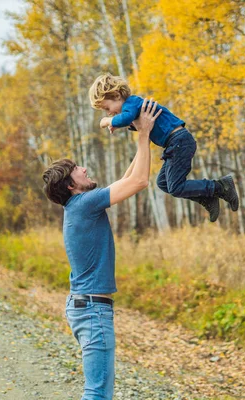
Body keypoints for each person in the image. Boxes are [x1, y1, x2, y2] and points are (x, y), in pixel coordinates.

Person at [42, 98, 161, 399]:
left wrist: (141, 138)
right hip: (92, 310)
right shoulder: (84, 203)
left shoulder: (79, 206)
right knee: (97, 394)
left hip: (85, 306)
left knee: (98, 391)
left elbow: (126, 180)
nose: (83, 168)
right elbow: (139, 182)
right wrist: (145, 134)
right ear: (71, 185)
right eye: (77, 170)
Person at [88, 73, 239, 222]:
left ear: (115, 95)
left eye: (107, 107)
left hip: (179, 141)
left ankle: (220, 186)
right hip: (174, 144)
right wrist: (119, 122)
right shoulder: (133, 107)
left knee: (175, 187)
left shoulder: (131, 103)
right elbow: (132, 121)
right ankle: (207, 198)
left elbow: (126, 118)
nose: (108, 112)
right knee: (163, 183)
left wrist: (108, 121)